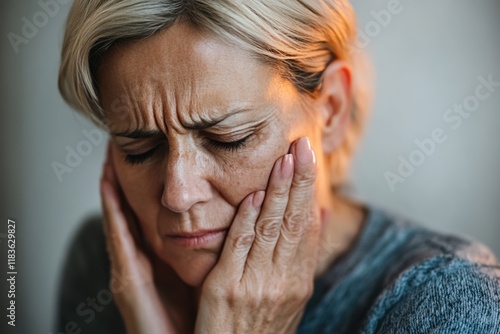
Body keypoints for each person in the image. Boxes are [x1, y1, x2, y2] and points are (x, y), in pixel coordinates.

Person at [56, 0, 500, 333]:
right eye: (139, 148)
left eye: (229, 139)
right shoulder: (104, 269)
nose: (178, 193)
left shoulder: (444, 300)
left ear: (331, 109)